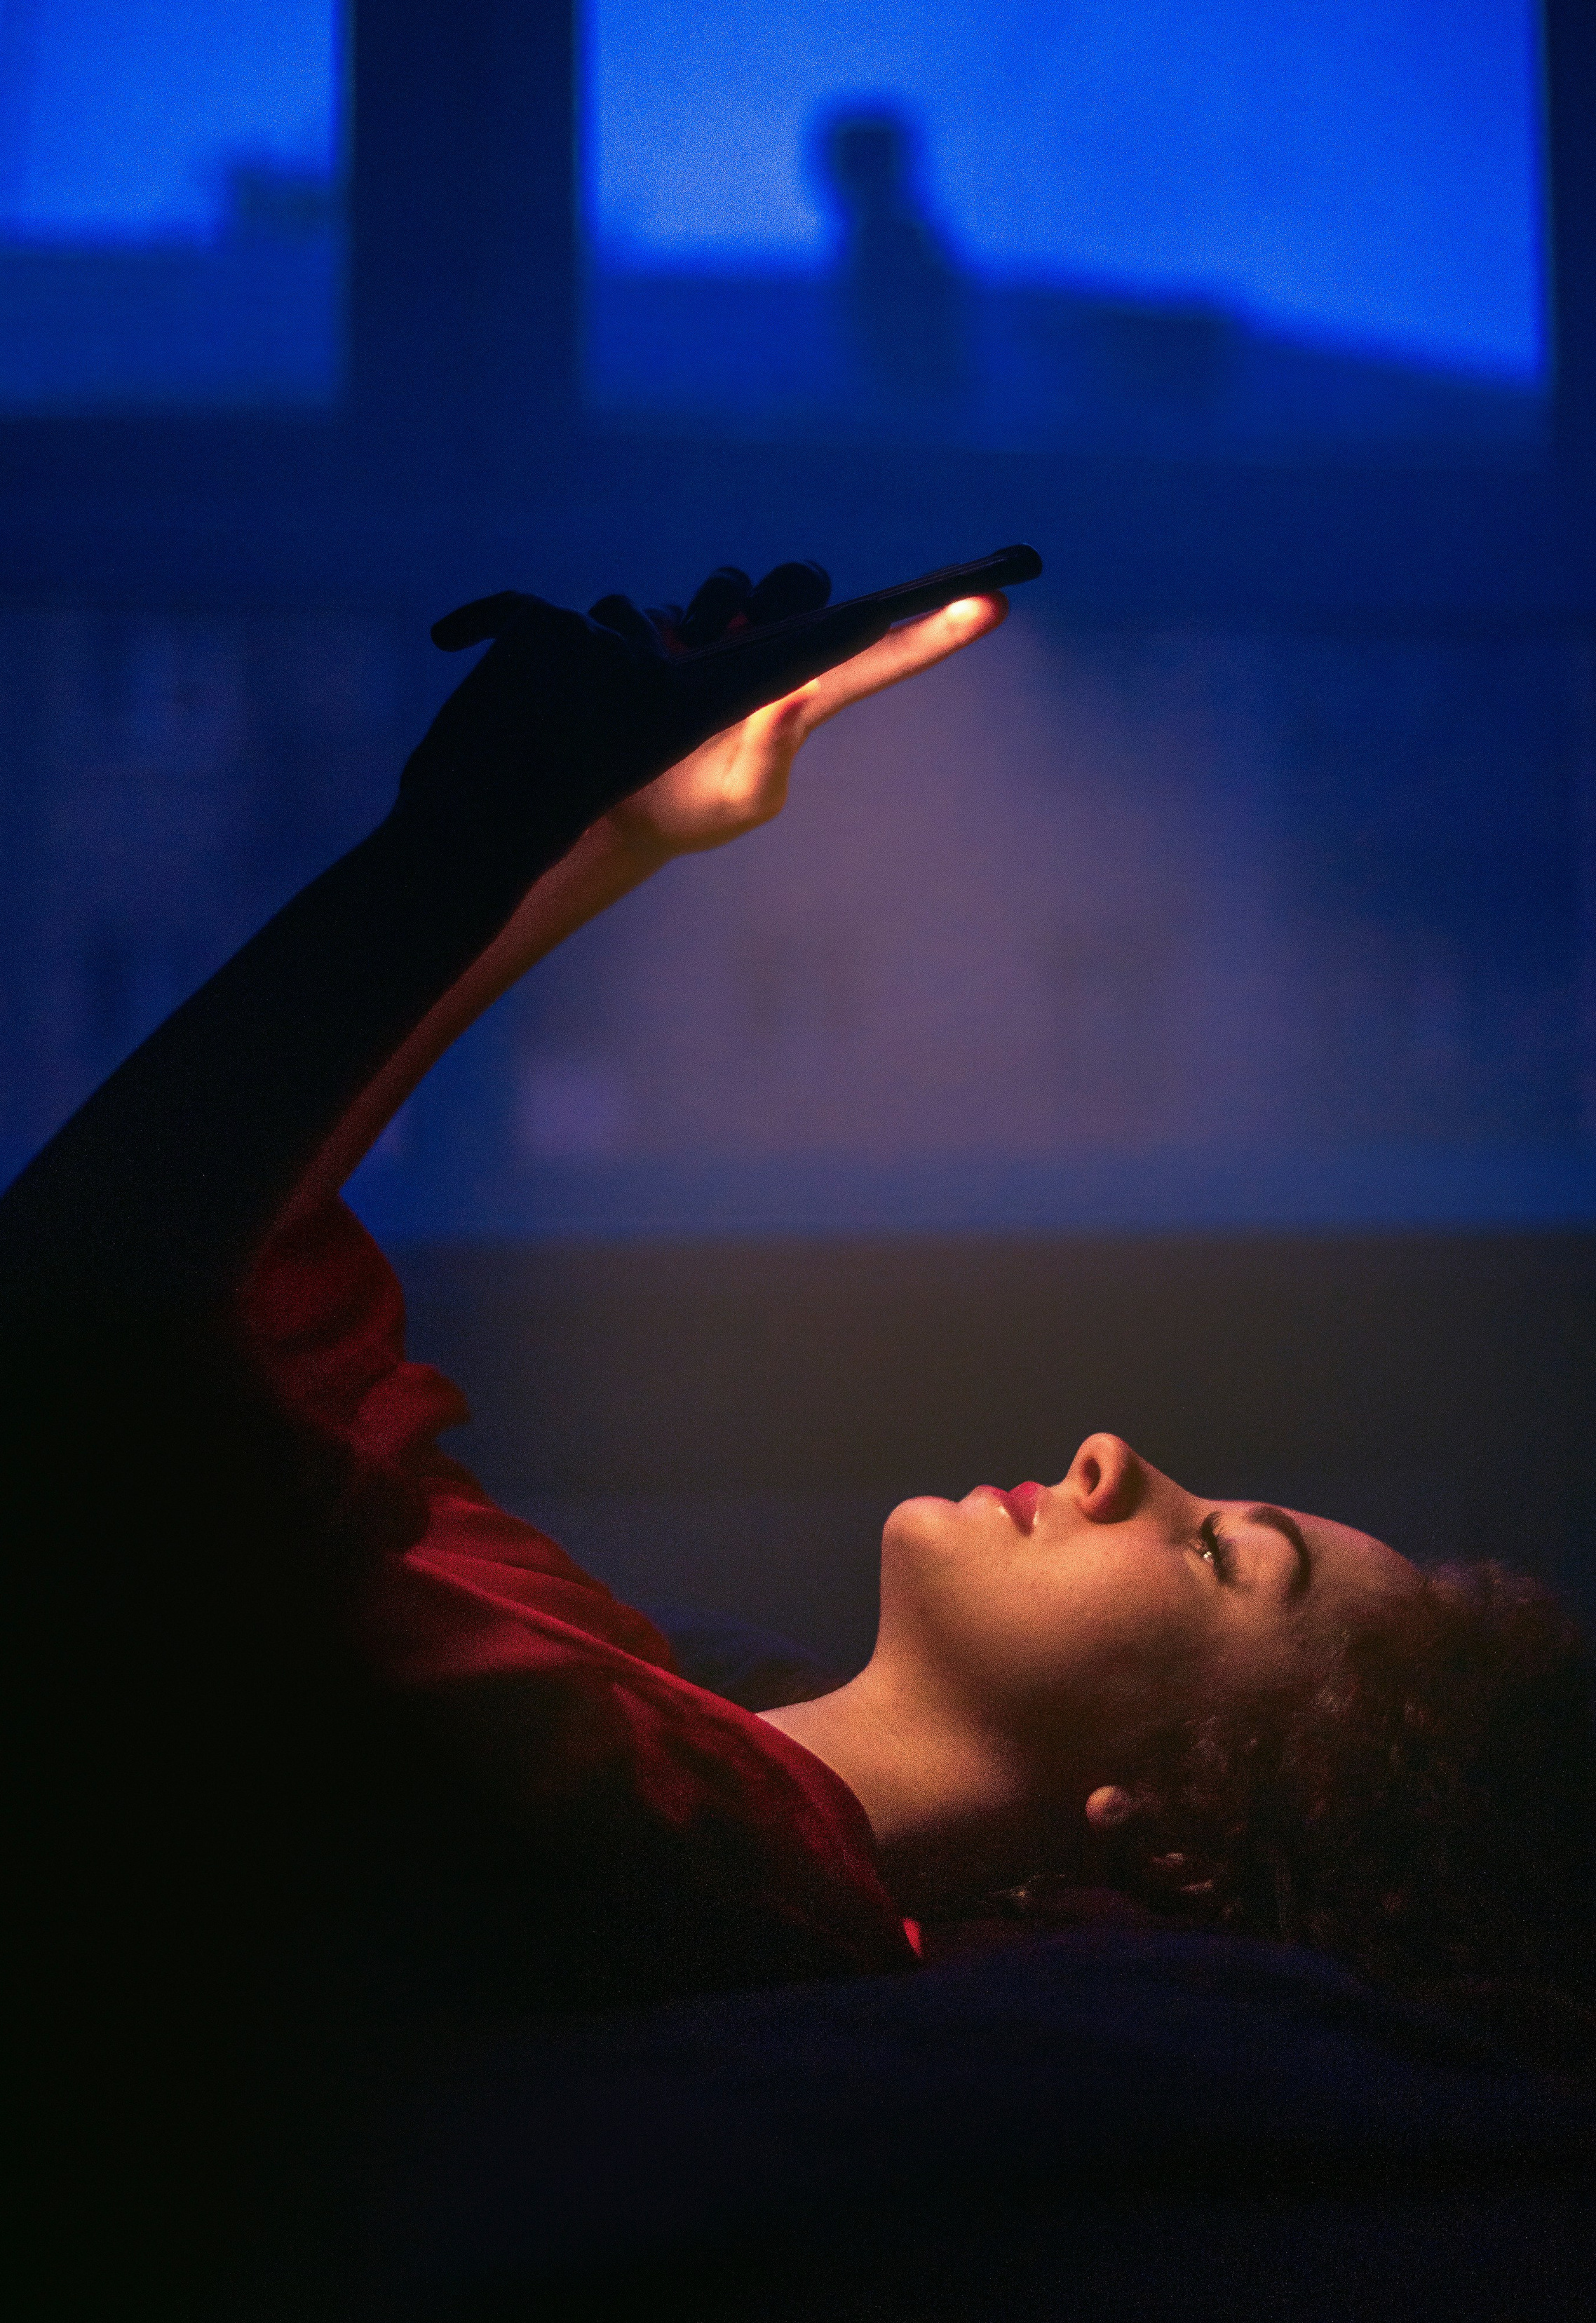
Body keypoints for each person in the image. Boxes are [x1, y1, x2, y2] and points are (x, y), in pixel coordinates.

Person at [3, 556, 1591, 2305]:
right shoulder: (665, 1702)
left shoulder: (671, 1845)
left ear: (1181, 1839)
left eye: (1225, 1555)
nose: (1116, 1455)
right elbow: (253, 1307)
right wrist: (610, 832)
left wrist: (486, 837)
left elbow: (105, 1330)